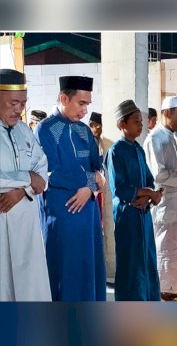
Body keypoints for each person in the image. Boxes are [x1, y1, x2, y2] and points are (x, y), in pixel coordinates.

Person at [35, 75, 107, 301]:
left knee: (90, 271)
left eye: (88, 104)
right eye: (81, 103)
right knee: (65, 275)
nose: (85, 110)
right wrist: (91, 182)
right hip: (62, 214)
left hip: (88, 216)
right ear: (64, 98)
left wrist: (93, 185)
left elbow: (99, 168)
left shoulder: (84, 131)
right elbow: (53, 172)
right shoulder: (46, 129)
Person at [0, 69, 51, 301]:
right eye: (13, 103)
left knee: (30, 286)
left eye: (23, 103)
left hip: (26, 222)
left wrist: (23, 190)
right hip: (3, 219)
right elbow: (32, 176)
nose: (19, 109)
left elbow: (42, 171)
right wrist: (28, 178)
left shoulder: (24, 131)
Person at [105, 100, 163, 301]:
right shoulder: (115, 151)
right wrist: (147, 193)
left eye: (141, 121)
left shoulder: (138, 149)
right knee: (131, 263)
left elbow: (149, 179)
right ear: (122, 124)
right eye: (136, 121)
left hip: (143, 213)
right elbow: (119, 189)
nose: (140, 125)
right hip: (127, 215)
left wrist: (149, 196)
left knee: (147, 260)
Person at [143, 96, 177, 295]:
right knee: (166, 249)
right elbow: (159, 174)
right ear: (166, 113)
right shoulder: (155, 138)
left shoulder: (175, 136)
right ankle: (163, 289)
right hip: (168, 204)